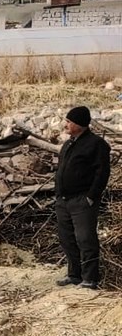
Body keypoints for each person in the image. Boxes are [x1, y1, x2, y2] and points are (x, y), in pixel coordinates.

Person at [54, 106, 111, 289]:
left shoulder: (96, 144)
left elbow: (102, 173)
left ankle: (90, 278)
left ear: (80, 124)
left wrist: (91, 197)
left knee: (85, 239)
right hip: (64, 200)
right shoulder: (69, 143)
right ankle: (74, 275)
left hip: (82, 201)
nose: (66, 124)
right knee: (67, 238)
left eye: (69, 122)